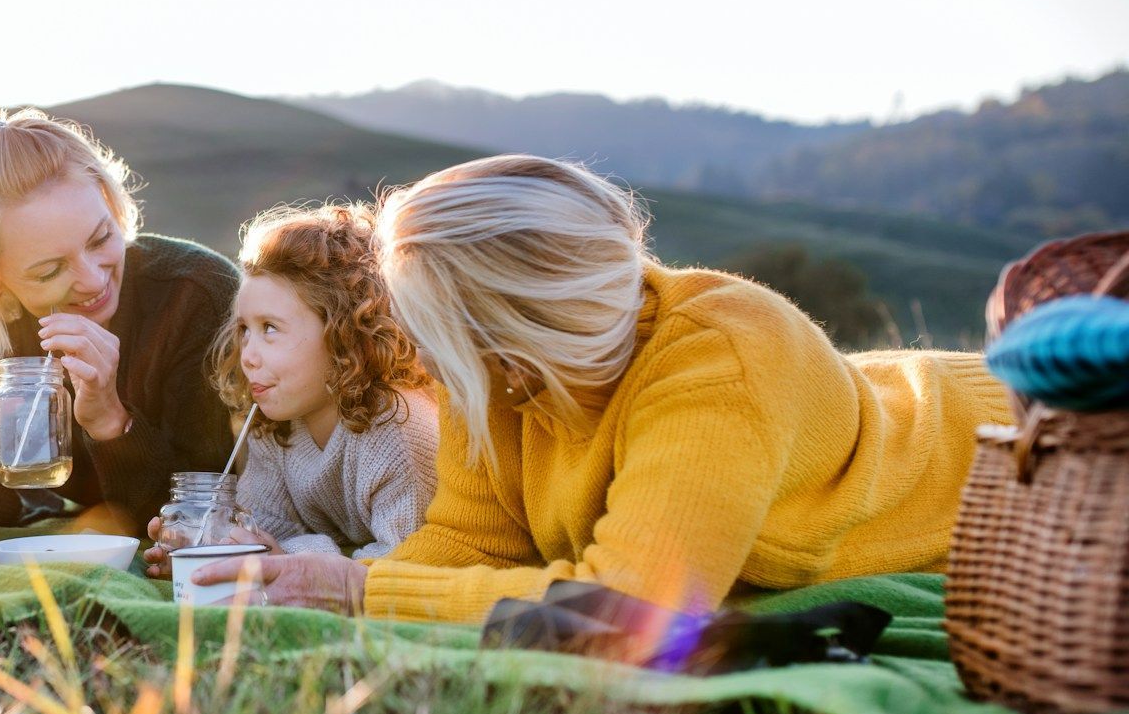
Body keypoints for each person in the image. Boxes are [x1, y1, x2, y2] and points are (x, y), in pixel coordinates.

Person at [192, 154, 1011, 620]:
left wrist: (360, 586)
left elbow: (632, 602)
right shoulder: (497, 382)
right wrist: (318, 580)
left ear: (505, 328)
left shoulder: (720, 362)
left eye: (428, 330)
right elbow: (470, 545)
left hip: (997, 446)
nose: (415, 357)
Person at [0, 109, 239, 536]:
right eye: (48, 271)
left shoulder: (196, 298)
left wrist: (110, 422)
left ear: (111, 202)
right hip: (61, 495)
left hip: (112, 500)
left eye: (101, 239)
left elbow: (200, 513)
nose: (94, 280)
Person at [142, 203, 440, 575]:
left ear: (344, 335)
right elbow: (267, 530)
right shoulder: (275, 421)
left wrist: (292, 557)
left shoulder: (399, 432)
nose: (247, 355)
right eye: (244, 330)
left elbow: (405, 563)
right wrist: (213, 549)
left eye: (270, 328)